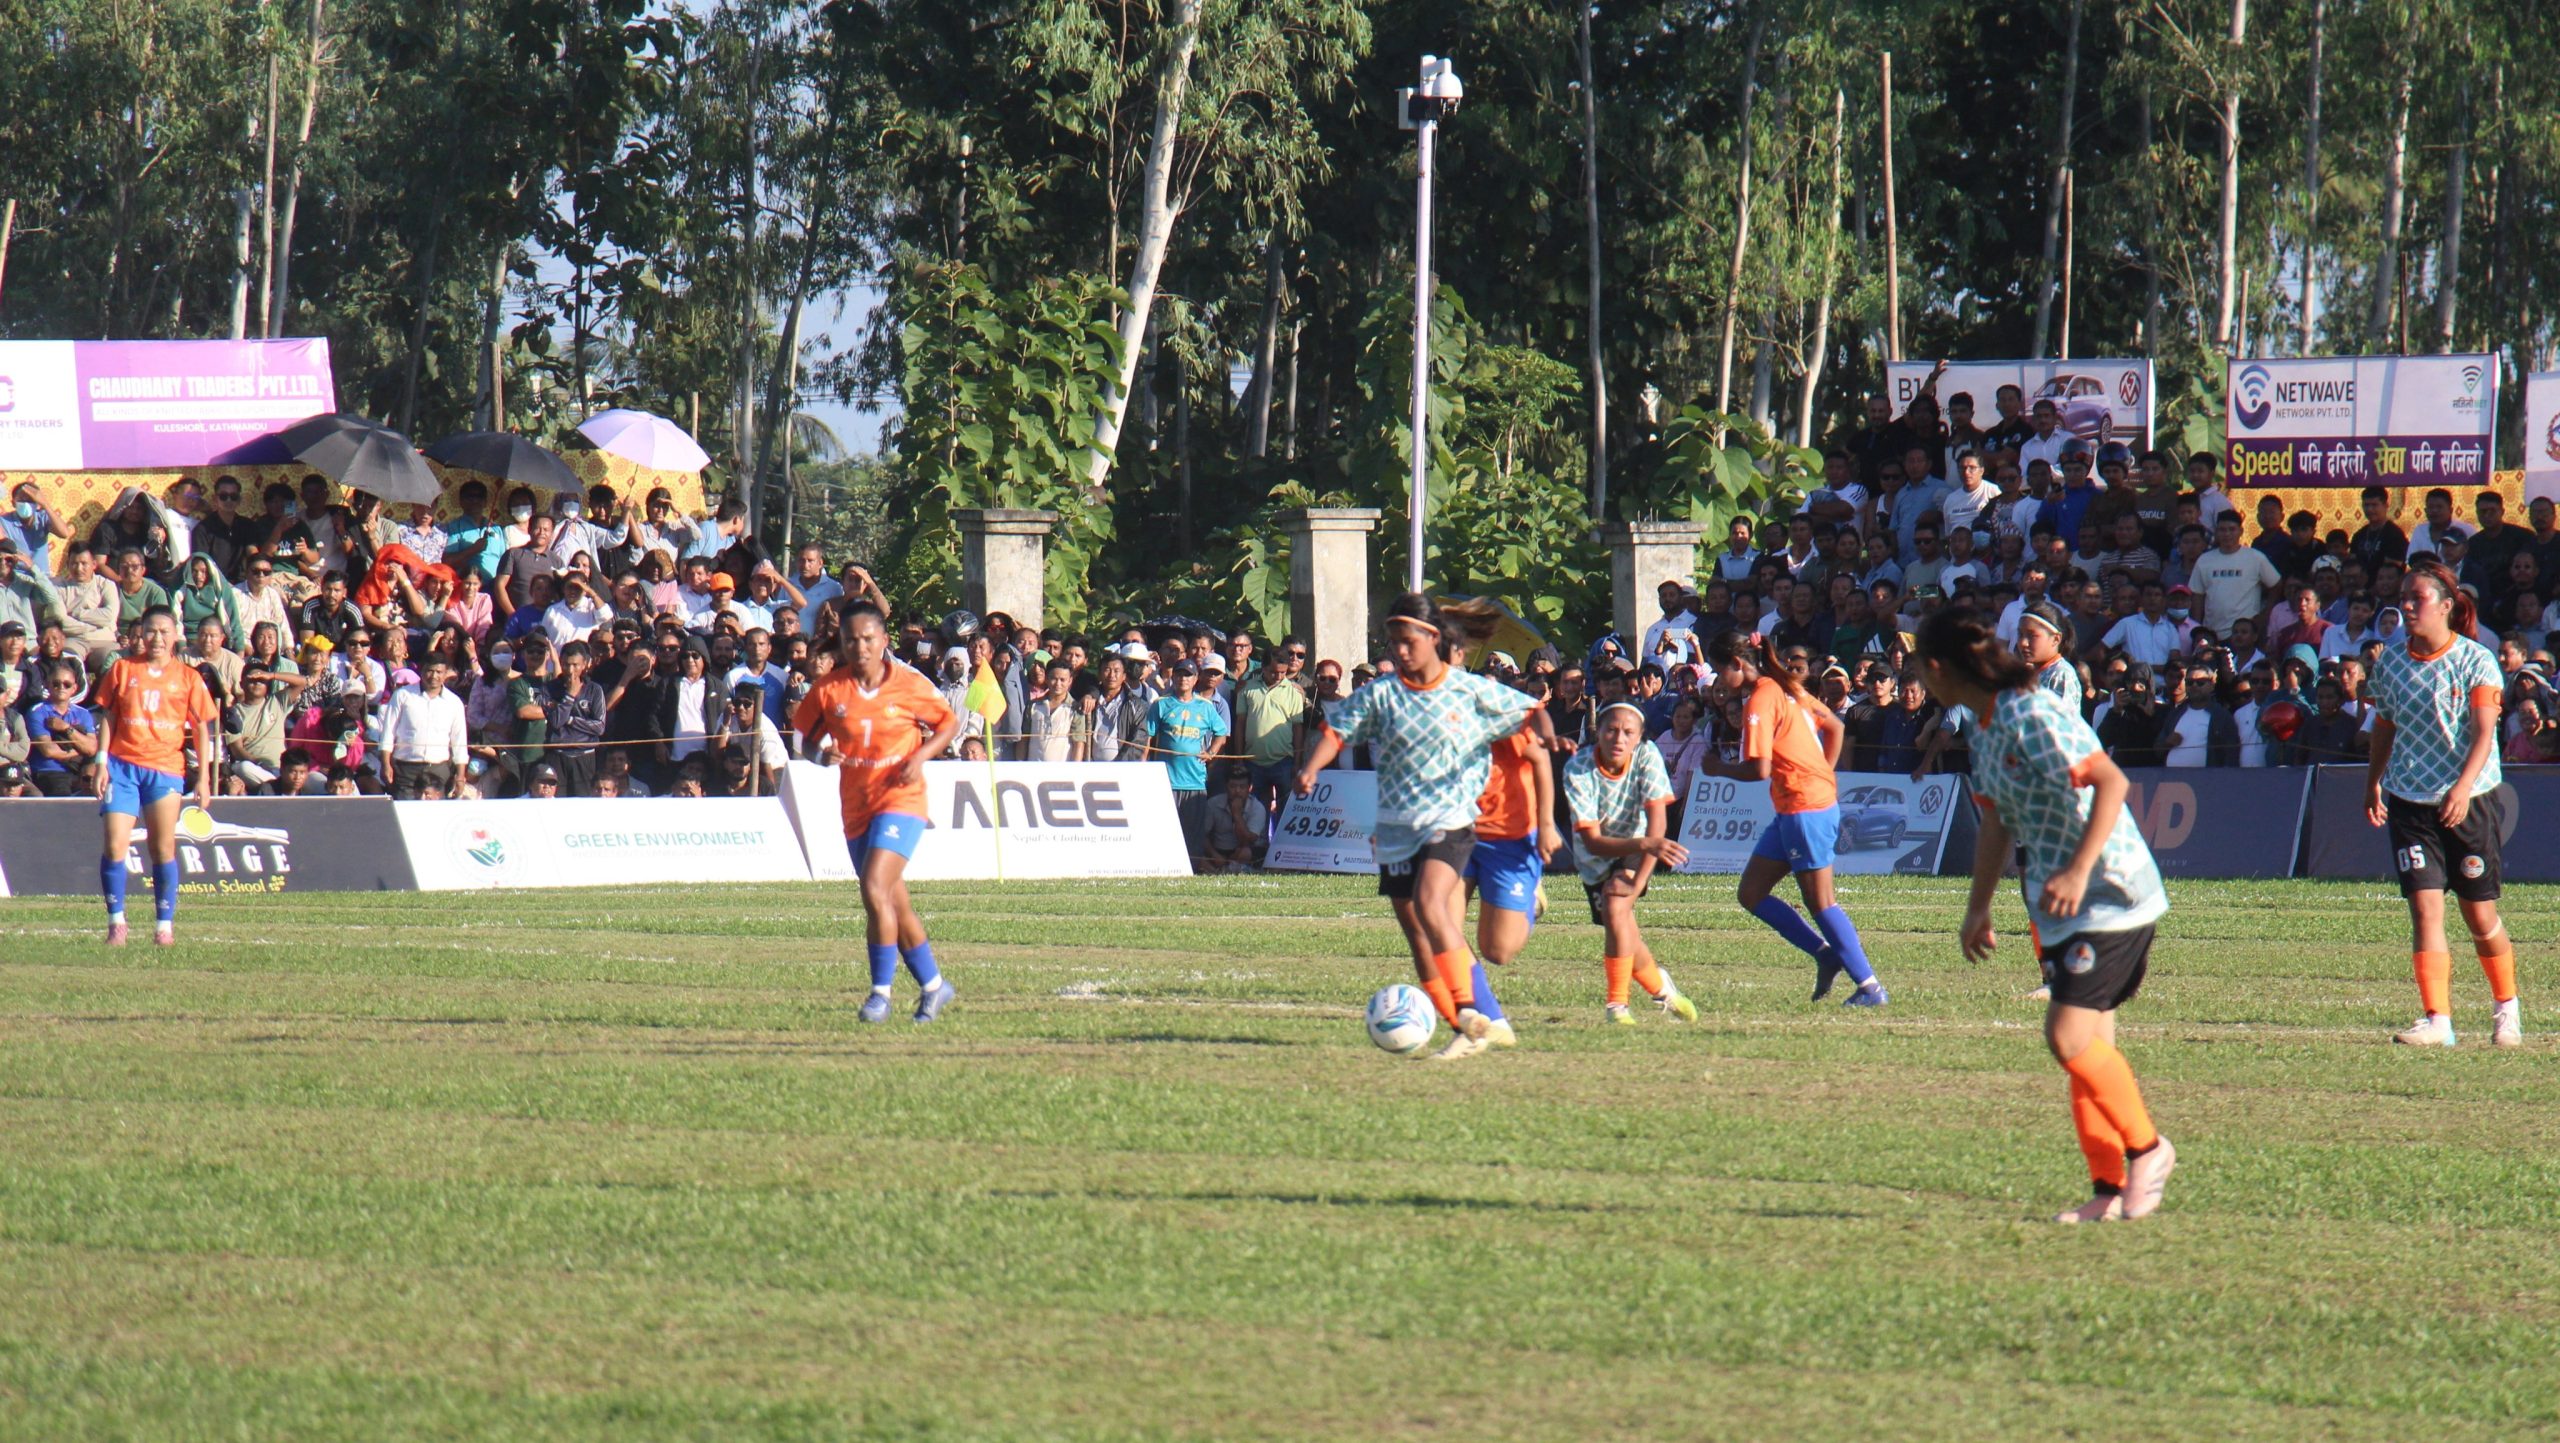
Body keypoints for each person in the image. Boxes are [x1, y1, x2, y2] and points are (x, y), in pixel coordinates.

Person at [1921, 607, 2177, 1224]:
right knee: (2088, 1049)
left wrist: (2079, 869)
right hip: (2063, 903)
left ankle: (2149, 1149)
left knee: (2066, 1039)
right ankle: (2107, 1189)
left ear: (1936, 668)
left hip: (2111, 892)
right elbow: (1996, 821)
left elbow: (2111, 783)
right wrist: (1978, 907)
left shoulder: (2030, 715)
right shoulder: (1985, 727)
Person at [1295, 594, 1536, 1061]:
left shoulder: (1466, 690)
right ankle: (1467, 1022)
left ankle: (1470, 1011)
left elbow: (1530, 714)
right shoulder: (1383, 693)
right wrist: (1311, 768)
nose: (1399, 651)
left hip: (1450, 822)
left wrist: (1546, 744)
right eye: (1393, 642)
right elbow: (1336, 729)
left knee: (1432, 907)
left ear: (1432, 639)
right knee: (1417, 932)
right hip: (1396, 829)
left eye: (1407, 641)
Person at [2363, 560, 2521, 1049]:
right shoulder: (2390, 662)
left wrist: (2461, 788)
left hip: (2469, 801)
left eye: (2418, 598)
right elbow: (2384, 726)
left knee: (2479, 916)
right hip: (2410, 800)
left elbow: (2484, 733)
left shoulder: (2476, 660)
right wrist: (2373, 783)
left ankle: (2506, 1009)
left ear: (2447, 606)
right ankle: (2438, 1020)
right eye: (2403, 599)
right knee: (2425, 910)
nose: (2407, 607)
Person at [791, 601, 964, 1023]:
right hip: (857, 807)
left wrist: (920, 756)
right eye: (851, 639)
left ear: (884, 640)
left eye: (868, 638)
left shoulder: (908, 684)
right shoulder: (830, 690)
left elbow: (947, 724)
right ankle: (934, 986)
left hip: (902, 800)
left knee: (873, 887)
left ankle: (880, 995)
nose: (860, 647)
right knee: (893, 902)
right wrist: (821, 756)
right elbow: (805, 740)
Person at [1697, 629, 1888, 1007]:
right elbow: (1835, 726)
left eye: (1720, 671)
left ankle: (1870, 987)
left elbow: (1759, 768)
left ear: (1736, 664)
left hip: (1805, 807)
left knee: (1821, 901)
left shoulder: (1760, 699)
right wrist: (1823, 771)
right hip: (1795, 806)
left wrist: (1719, 769)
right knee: (1751, 893)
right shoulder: (1786, 687)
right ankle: (1825, 955)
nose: (1719, 680)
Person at [1561, 702, 1699, 1024]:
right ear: (1598, 732)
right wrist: (1647, 844)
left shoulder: (1647, 755)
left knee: (1615, 907)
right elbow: (1593, 841)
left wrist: (1639, 881)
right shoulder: (1578, 767)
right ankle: (1663, 990)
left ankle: (1617, 1005)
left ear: (1639, 737)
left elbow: (1657, 824)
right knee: (1623, 929)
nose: (1619, 738)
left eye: (1628, 732)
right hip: (1596, 856)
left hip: (1638, 842)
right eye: (1611, 730)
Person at [91, 607, 220, 947]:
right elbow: (108, 716)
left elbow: (201, 728)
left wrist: (203, 778)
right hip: (122, 767)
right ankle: (116, 923)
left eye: (164, 631)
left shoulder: (188, 677)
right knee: (114, 844)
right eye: (150, 631)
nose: (157, 638)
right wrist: (101, 762)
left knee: (162, 848)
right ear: (140, 634)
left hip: (165, 769)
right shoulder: (122, 669)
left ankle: (164, 926)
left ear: (176, 635)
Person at [1462, 697, 1561, 988]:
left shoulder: (1494, 714)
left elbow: (1540, 757)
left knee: (1498, 951)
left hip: (1509, 838)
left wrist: (1546, 825)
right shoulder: (1432, 716)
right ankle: (1473, 1005)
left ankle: (1530, 897)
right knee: (1439, 927)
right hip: (1457, 833)